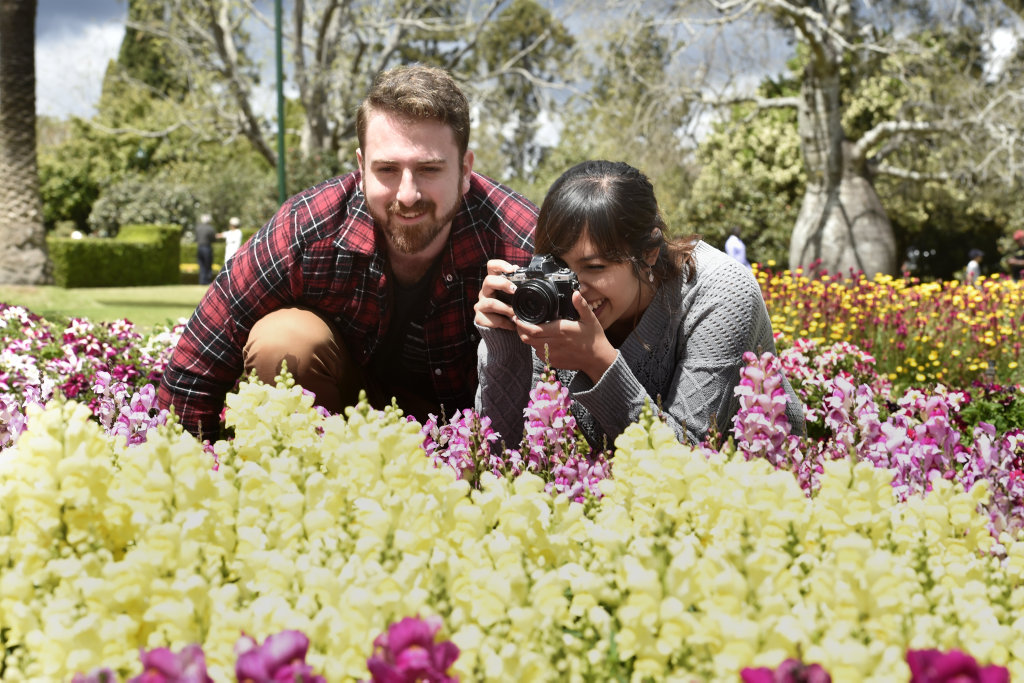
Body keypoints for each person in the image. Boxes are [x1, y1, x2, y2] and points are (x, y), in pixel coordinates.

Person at [158, 64, 538, 440]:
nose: (408, 195)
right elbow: (199, 362)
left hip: (471, 434)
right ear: (361, 168)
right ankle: (304, 479)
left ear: (466, 169)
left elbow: (585, 361)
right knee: (284, 341)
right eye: (387, 169)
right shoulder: (306, 229)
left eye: (429, 169)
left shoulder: (521, 242)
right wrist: (185, 470)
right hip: (339, 421)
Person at [474, 160, 804, 449]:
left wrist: (598, 363)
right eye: (557, 266)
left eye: (595, 267)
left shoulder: (720, 291)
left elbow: (692, 460)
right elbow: (503, 457)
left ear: (649, 252)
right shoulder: (547, 296)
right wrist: (504, 348)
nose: (574, 287)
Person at [194, 213, 216, 285]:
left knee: (201, 265)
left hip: (199, 247)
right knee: (208, 264)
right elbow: (213, 239)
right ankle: (207, 281)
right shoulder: (210, 228)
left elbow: (196, 238)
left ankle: (202, 281)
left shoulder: (198, 227)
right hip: (207, 247)